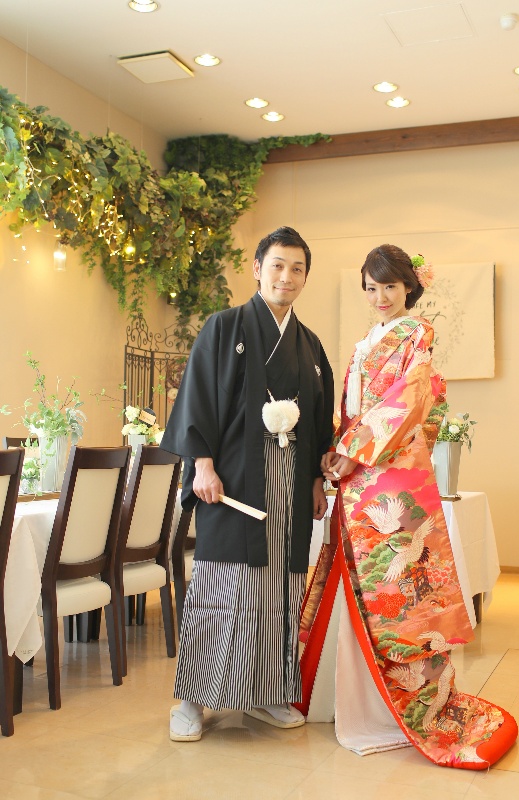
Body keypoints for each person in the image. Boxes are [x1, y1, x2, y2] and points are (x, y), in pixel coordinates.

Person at [298, 245, 517, 768]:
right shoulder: (367, 340)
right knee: (359, 581)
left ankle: (394, 704)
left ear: (409, 288)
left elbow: (412, 400)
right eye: (370, 288)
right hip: (361, 473)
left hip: (388, 478)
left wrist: (354, 452)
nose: (380, 297)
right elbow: (355, 408)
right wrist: (335, 450)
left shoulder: (416, 333)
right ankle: (345, 696)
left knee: (397, 591)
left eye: (389, 287)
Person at [160, 226, 334, 742]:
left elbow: (318, 418)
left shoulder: (309, 344)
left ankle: (265, 692)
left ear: (305, 277)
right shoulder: (224, 326)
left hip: (289, 485)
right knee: (222, 587)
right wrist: (202, 465)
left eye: (297, 268)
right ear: (257, 269)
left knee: (279, 590)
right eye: (277, 265)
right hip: (233, 480)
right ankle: (192, 700)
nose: (287, 276)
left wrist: (316, 480)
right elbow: (198, 398)